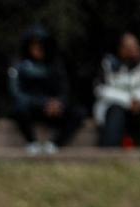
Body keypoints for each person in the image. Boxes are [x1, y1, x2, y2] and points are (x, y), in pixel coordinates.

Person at [8, 25, 86, 155]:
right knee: (19, 109)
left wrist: (58, 103)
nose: (38, 49)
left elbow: (64, 90)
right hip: (31, 108)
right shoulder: (19, 66)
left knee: (78, 113)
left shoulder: (55, 66)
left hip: (53, 109)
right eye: (34, 45)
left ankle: (54, 144)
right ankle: (32, 143)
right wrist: (43, 103)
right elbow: (16, 93)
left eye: (41, 45)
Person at [94, 32, 140, 147]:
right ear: (121, 49)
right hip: (112, 111)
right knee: (116, 112)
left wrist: (138, 101)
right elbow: (100, 90)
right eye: (130, 47)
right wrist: (128, 101)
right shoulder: (108, 64)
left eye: (136, 46)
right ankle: (109, 151)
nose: (135, 50)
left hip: (136, 111)